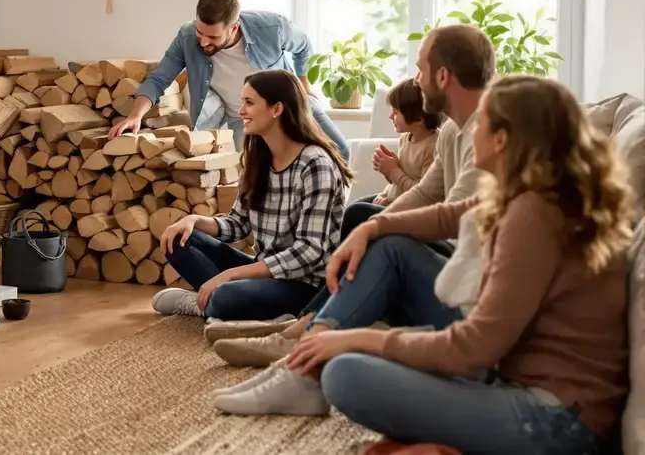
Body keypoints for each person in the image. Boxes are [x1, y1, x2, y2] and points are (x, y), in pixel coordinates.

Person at [212, 75, 634, 455]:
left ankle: (311, 361)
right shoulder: (533, 192)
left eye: (481, 124)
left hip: (553, 420)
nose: (470, 132)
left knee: (346, 374)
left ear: (503, 139)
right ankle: (305, 363)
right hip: (516, 377)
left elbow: (474, 348)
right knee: (391, 247)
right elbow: (447, 215)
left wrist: (359, 340)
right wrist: (369, 229)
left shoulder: (536, 213)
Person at [211, 24, 493, 363]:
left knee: (387, 242)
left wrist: (375, 229)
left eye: (420, 70)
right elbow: (425, 194)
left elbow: (455, 217)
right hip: (451, 259)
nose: (416, 80)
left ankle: (304, 330)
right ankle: (304, 326)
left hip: (476, 274)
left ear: (444, 76)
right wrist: (368, 227)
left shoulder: (488, 132)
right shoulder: (452, 130)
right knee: (361, 216)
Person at [151, 70, 352, 328]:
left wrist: (230, 275)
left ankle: (212, 305)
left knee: (226, 294)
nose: (241, 111)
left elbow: (309, 252)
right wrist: (193, 220)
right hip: (265, 273)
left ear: (277, 108)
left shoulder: (315, 164)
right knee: (177, 239)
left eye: (249, 102)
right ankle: (220, 307)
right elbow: (237, 225)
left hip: (305, 285)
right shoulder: (259, 159)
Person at [108, 0, 350, 160]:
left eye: (212, 37)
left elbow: (304, 47)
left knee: (340, 151)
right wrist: (134, 115)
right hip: (244, 121)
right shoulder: (187, 36)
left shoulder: (272, 27)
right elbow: (159, 79)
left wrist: (304, 85)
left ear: (234, 27)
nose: (203, 41)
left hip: (293, 106)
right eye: (200, 32)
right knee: (255, 182)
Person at [368, 78, 442, 208]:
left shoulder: (433, 147)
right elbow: (401, 180)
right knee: (354, 207)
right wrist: (386, 188)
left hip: (412, 213)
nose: (391, 116)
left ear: (419, 118)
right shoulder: (405, 138)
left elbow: (423, 195)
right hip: (397, 201)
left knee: (354, 212)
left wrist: (393, 170)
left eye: (396, 112)